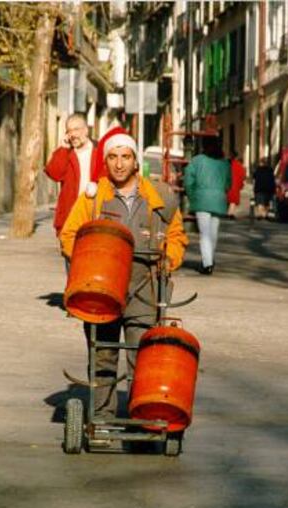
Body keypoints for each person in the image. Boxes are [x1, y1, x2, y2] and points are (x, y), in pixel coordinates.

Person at [60, 133, 188, 418]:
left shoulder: (160, 198)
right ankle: (102, 417)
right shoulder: (93, 199)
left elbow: (176, 235)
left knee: (142, 357)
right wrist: (87, 259)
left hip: (146, 289)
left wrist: (170, 257)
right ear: (105, 161)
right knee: (103, 354)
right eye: (113, 157)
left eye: (125, 157)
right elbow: (69, 235)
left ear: (135, 161)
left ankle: (139, 416)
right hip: (101, 291)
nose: (119, 164)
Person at [183, 136, 231, 275]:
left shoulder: (197, 161)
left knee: (204, 234)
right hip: (218, 199)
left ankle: (207, 264)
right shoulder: (224, 163)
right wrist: (221, 192)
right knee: (213, 232)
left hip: (201, 199)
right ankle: (210, 259)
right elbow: (228, 183)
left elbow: (188, 181)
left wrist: (192, 196)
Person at [44, 113, 97, 239]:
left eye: (76, 129)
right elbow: (54, 174)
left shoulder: (99, 151)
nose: (72, 134)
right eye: (69, 131)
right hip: (70, 215)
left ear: (86, 130)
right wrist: (63, 149)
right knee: (70, 256)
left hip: (94, 214)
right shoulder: (66, 153)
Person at [227, 151, 246, 219]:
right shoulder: (239, 166)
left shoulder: (225, 164)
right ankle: (231, 213)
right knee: (233, 201)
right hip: (235, 185)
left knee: (228, 199)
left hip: (227, 185)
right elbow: (242, 176)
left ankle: (228, 212)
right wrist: (241, 185)